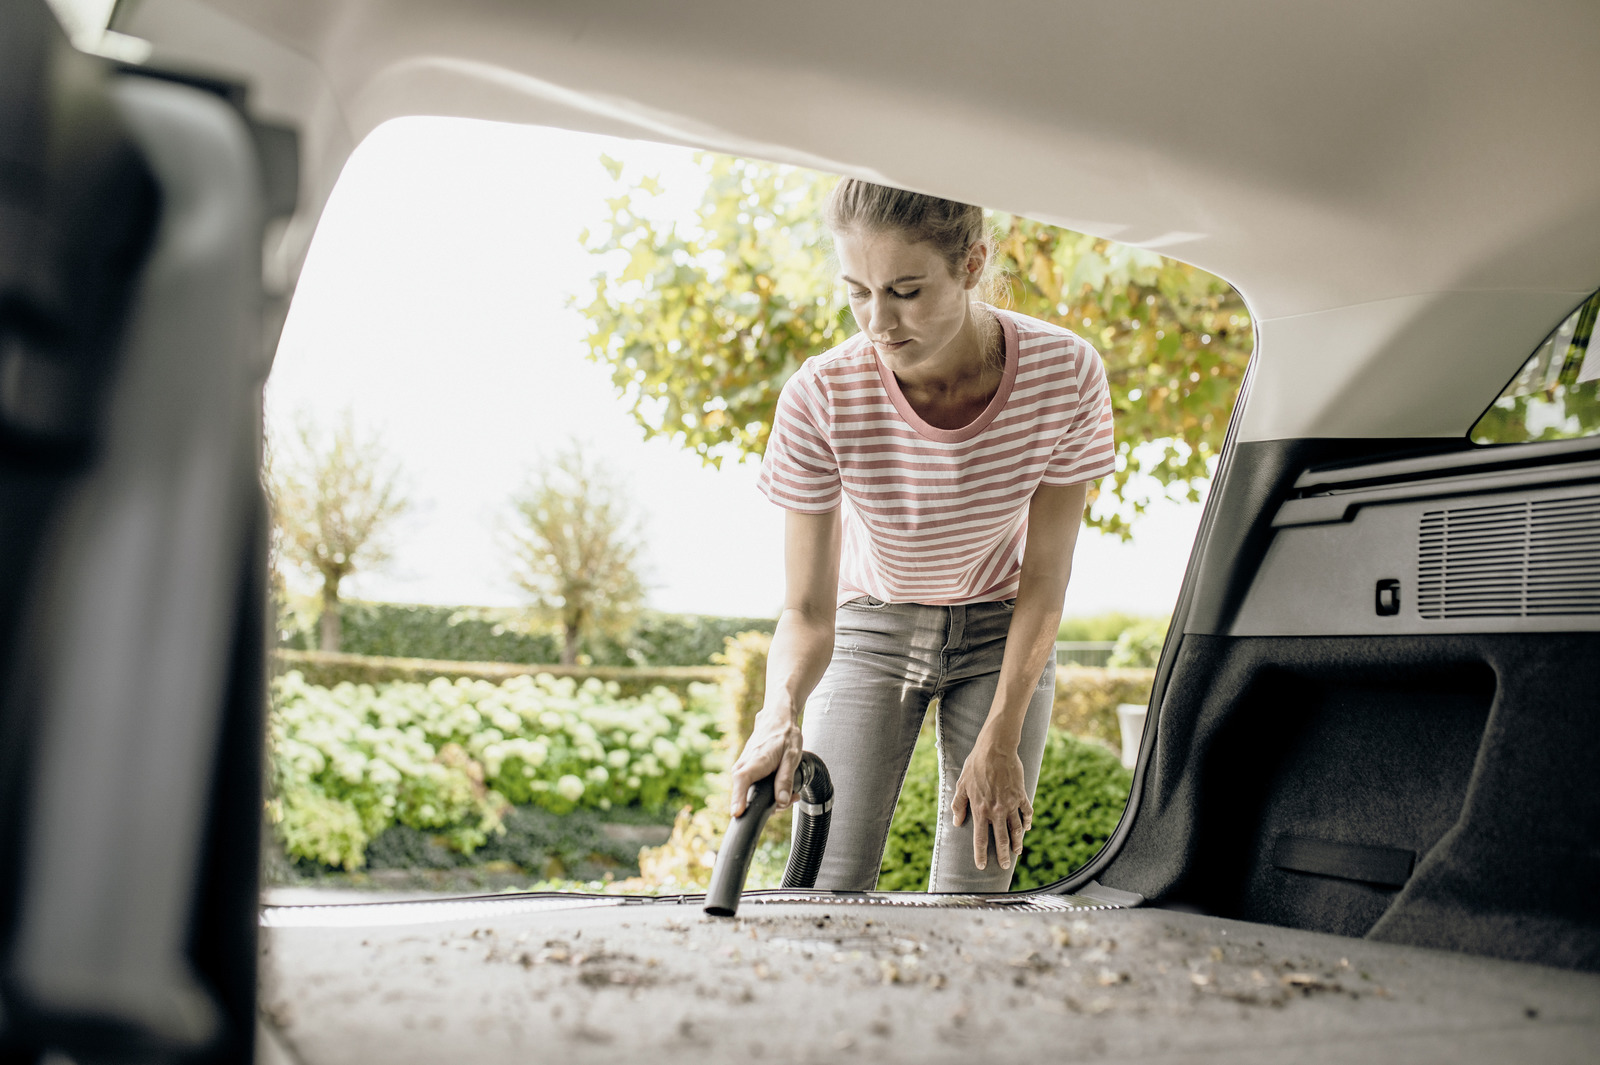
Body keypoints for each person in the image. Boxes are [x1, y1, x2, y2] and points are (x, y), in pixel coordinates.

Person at [729, 180, 1115, 892]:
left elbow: (1046, 578)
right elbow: (808, 612)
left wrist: (1002, 732)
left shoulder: (1065, 374)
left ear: (971, 263)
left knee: (976, 891)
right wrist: (778, 708)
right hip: (871, 625)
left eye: (905, 290)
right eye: (858, 291)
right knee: (824, 885)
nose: (879, 320)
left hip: (1003, 627)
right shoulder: (822, 396)